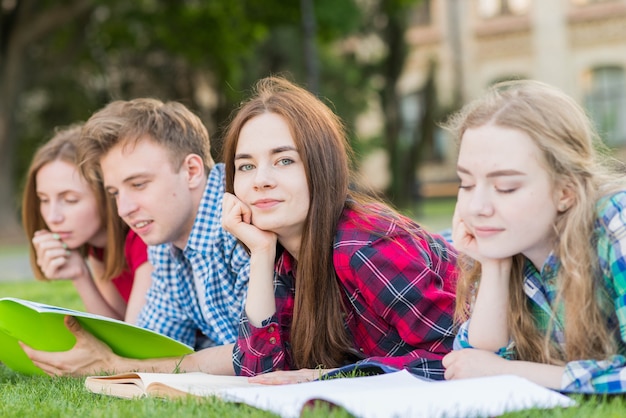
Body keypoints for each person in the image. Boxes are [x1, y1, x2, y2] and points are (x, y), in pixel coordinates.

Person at [221, 76, 458, 384]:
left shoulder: (363, 248)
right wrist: (261, 254)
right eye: (246, 166)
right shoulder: (285, 256)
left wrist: (333, 377)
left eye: (284, 160)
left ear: (322, 167)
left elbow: (456, 358)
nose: (260, 180)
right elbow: (260, 374)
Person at [21, 98, 250, 377]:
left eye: (138, 184)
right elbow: (155, 344)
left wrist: (117, 366)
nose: (123, 209)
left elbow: (260, 352)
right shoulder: (166, 245)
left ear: (191, 171)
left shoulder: (244, 212)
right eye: (116, 193)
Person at [441, 79, 626, 393]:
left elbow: (490, 369)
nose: (477, 207)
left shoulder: (615, 222)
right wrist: (494, 265)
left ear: (565, 191)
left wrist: (510, 372)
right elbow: (475, 361)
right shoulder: (511, 243)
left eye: (506, 187)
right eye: (467, 183)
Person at [21, 124, 151, 324]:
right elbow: (119, 327)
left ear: (106, 194)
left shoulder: (143, 241)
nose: (53, 217)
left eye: (70, 200)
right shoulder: (98, 248)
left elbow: (140, 339)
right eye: (44, 200)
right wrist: (80, 275)